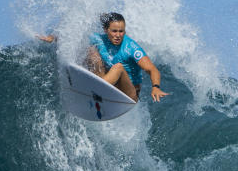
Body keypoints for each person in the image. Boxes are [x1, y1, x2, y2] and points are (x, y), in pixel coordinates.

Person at [38, 13, 169, 103]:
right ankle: (85, 82)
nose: (118, 35)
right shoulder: (99, 39)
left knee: (118, 67)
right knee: (90, 51)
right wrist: (52, 38)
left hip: (129, 94)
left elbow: (152, 69)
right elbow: (73, 36)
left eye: (121, 31)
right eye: (114, 31)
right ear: (106, 30)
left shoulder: (131, 47)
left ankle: (96, 87)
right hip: (108, 85)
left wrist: (155, 87)